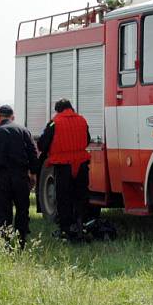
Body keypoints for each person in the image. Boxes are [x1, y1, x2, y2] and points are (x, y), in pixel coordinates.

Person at [0, 105, 39, 248]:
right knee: (22, 210)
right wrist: (33, 174)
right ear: (13, 116)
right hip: (20, 177)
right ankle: (21, 243)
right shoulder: (23, 131)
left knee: (3, 212)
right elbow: (33, 154)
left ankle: (6, 244)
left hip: (0, 178)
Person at [38, 99, 91, 240]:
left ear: (58, 110)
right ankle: (80, 226)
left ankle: (66, 230)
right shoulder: (82, 120)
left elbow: (42, 144)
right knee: (80, 197)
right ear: (71, 108)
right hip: (81, 165)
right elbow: (87, 140)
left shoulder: (54, 123)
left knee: (63, 198)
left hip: (63, 166)